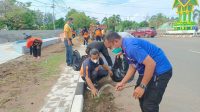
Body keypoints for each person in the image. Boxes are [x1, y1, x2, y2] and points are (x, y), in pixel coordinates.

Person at [104, 31, 172, 112]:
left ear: (115, 41)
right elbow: (132, 66)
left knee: (149, 104)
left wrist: (142, 86)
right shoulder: (124, 48)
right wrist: (122, 82)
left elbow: (151, 64)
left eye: (110, 47)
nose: (110, 50)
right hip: (148, 71)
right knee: (140, 96)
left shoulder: (131, 47)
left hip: (160, 72)